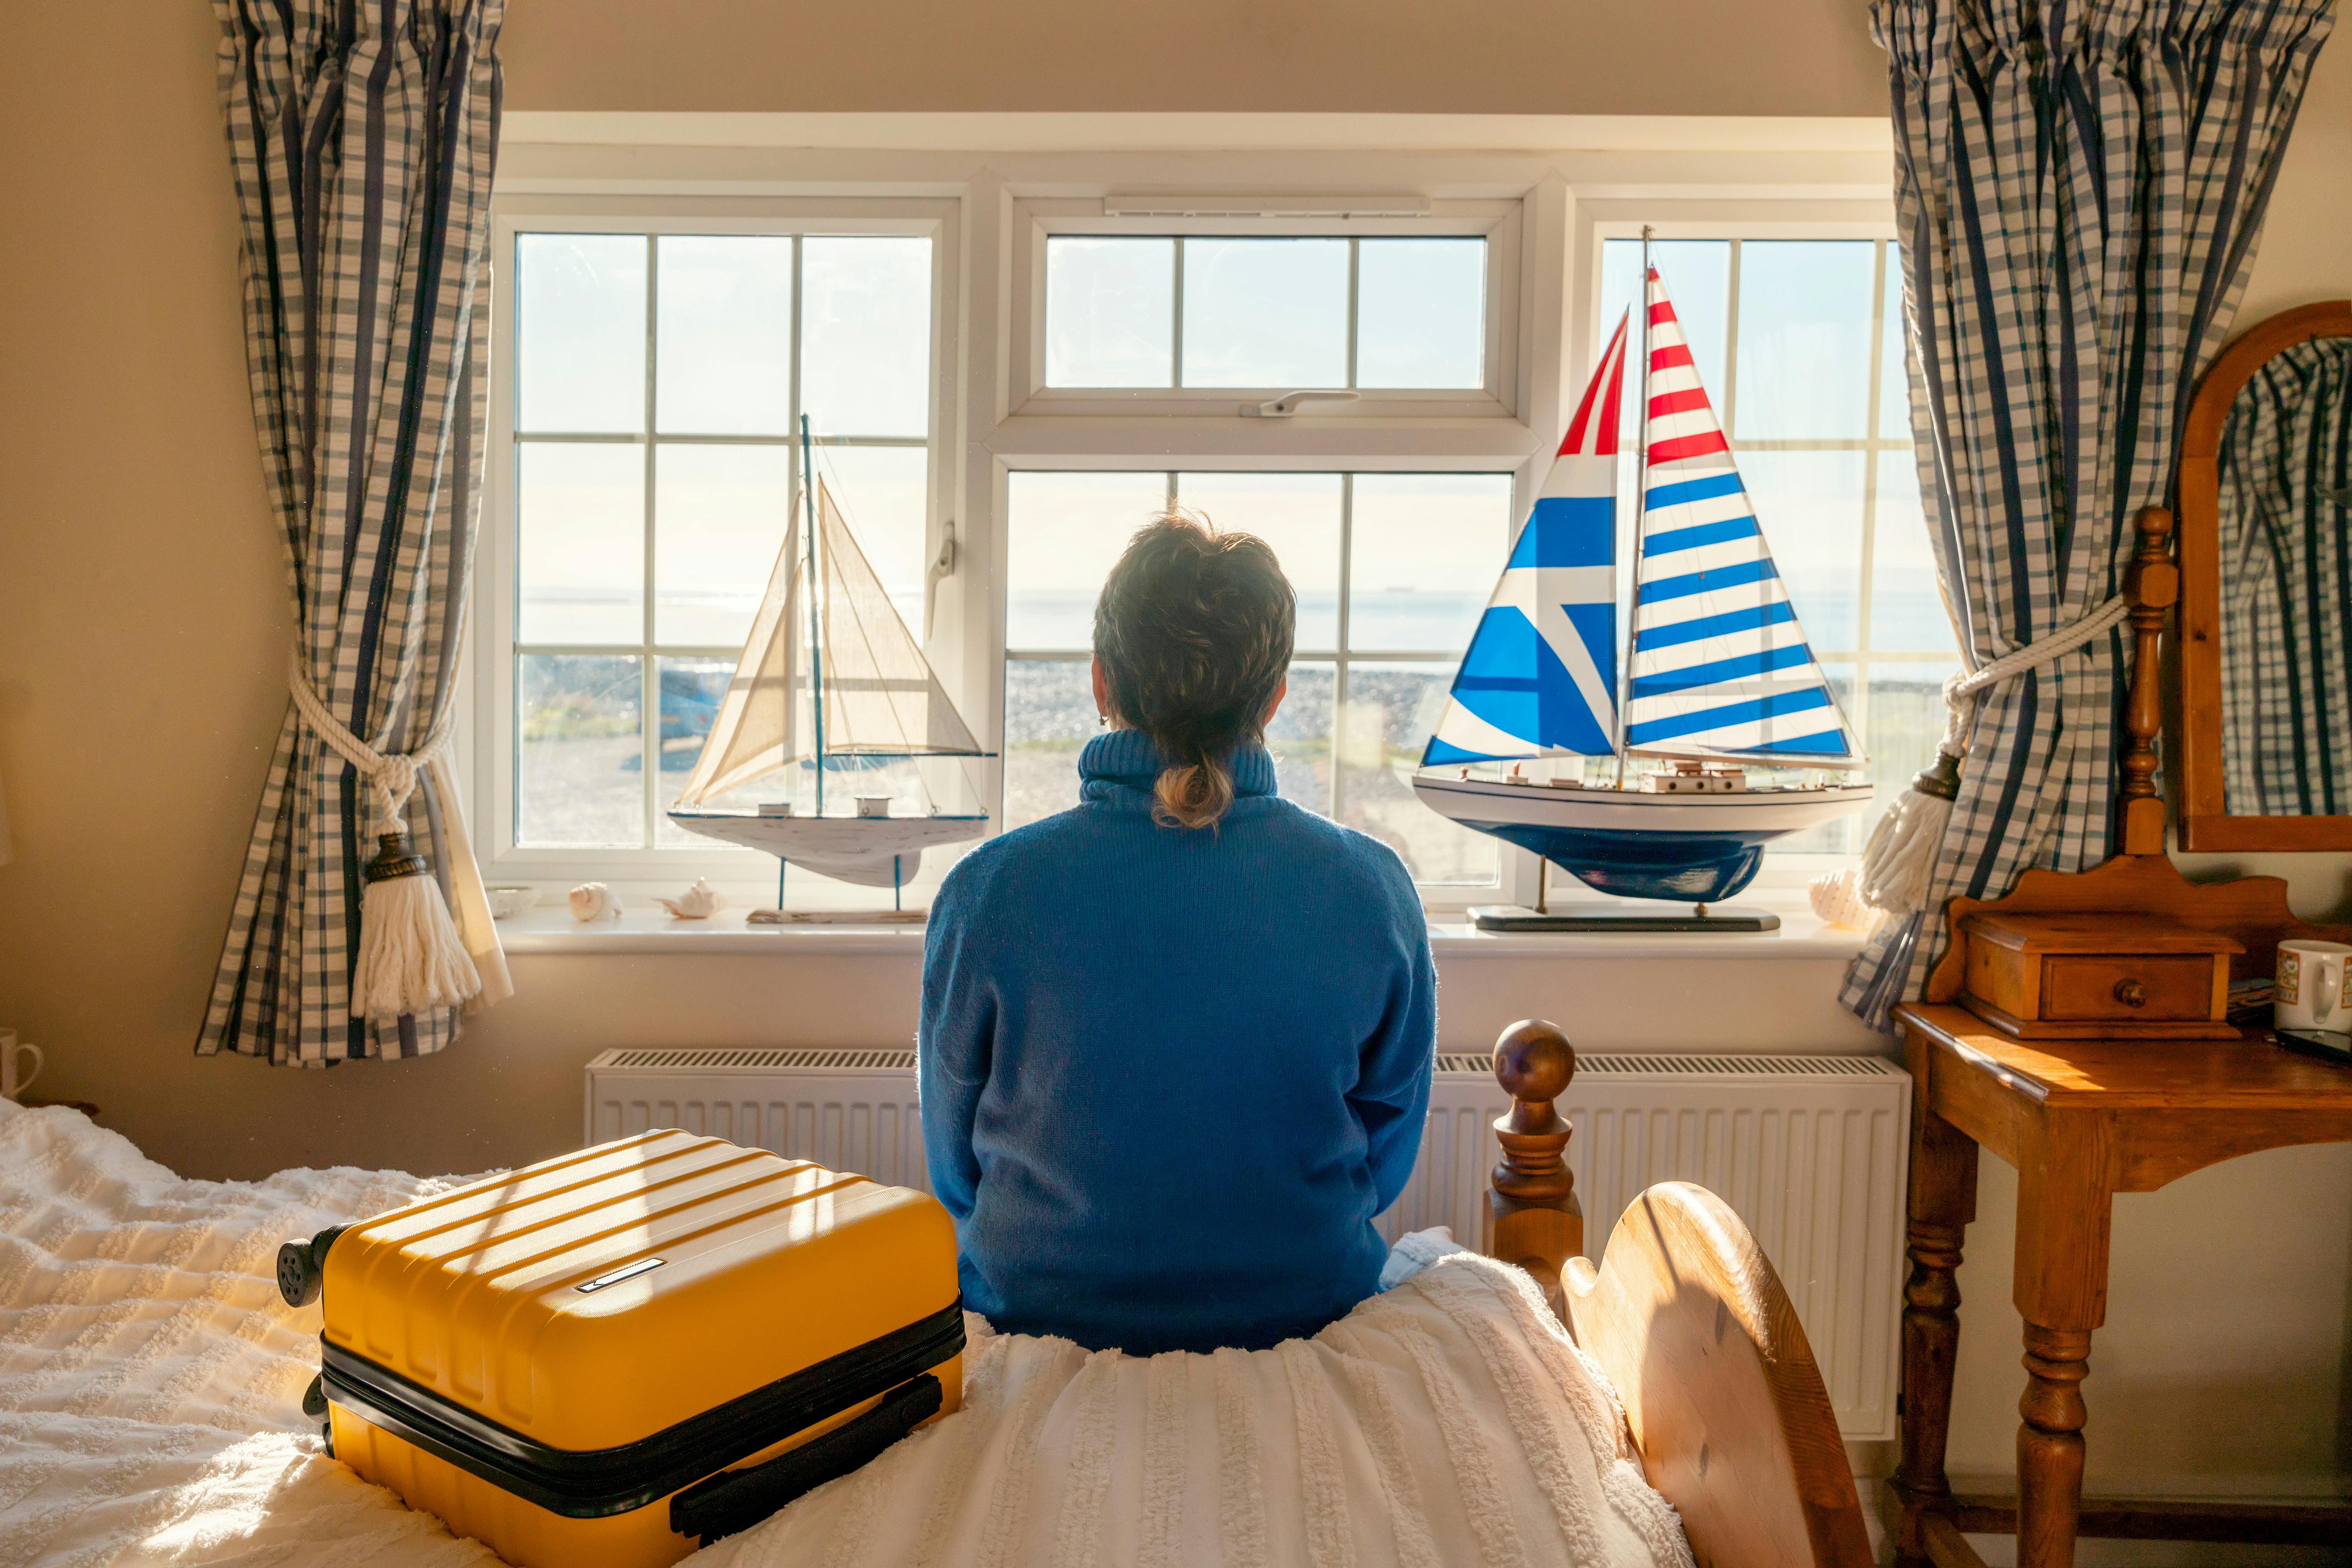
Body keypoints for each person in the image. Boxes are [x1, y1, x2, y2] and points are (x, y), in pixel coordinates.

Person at [919, 511, 1436, 1356]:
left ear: (1099, 682)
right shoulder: (1370, 886)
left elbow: (954, 1166)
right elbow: (1387, 1152)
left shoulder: (990, 889)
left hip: (1034, 1301)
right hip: (1305, 1301)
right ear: (1272, 698)